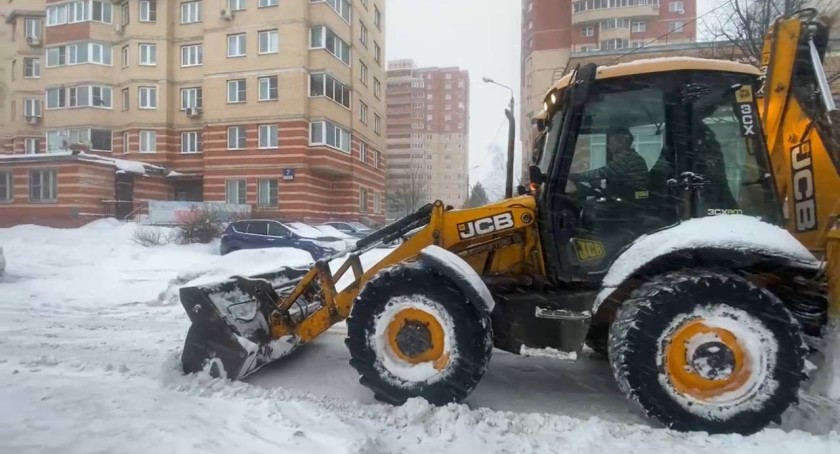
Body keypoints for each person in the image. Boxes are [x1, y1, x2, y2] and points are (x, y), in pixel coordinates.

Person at [569, 127, 650, 200]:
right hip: (632, 197)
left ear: (622, 142)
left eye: (611, 142)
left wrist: (576, 176)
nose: (608, 145)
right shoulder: (631, 157)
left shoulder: (627, 160)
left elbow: (602, 172)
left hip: (633, 200)